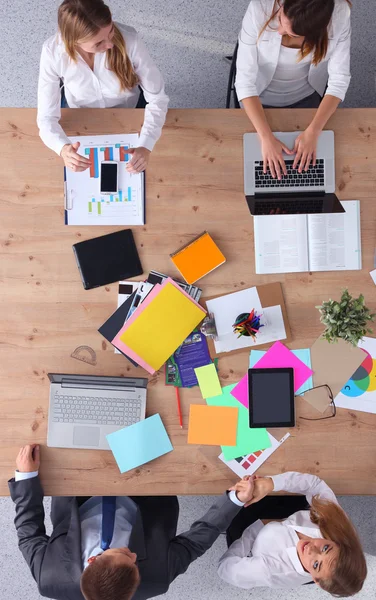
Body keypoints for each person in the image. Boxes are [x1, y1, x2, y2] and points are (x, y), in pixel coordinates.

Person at [9, 444, 254, 600]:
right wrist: (234, 500)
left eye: (125, 554)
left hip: (79, 491)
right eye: (135, 564)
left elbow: (29, 531)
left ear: (93, 559)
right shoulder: (156, 578)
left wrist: (26, 476)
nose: (135, 556)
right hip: (146, 494)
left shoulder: (49, 577)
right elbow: (196, 542)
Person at [37, 0, 169, 174]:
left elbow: (157, 98)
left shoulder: (131, 40)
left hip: (128, 110)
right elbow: (46, 118)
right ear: (74, 41)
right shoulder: (52, 52)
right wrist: (62, 148)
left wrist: (146, 145)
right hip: (80, 113)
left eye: (111, 31)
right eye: (98, 43)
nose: (110, 44)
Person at [236, 0, 351, 179]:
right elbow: (244, 83)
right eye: (281, 19)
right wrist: (266, 138)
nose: (279, 31)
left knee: (313, 167)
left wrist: (313, 131)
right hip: (258, 97)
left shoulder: (339, 14)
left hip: (307, 97)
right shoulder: (260, 7)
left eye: (290, 32)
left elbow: (339, 81)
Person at [218, 472, 367, 596]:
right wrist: (270, 484)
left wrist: (254, 530)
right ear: (339, 543)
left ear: (315, 579)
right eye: (326, 548)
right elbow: (315, 485)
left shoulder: (270, 571)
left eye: (316, 564)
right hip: (286, 515)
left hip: (249, 530)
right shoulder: (338, 527)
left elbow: (225, 569)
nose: (311, 549)